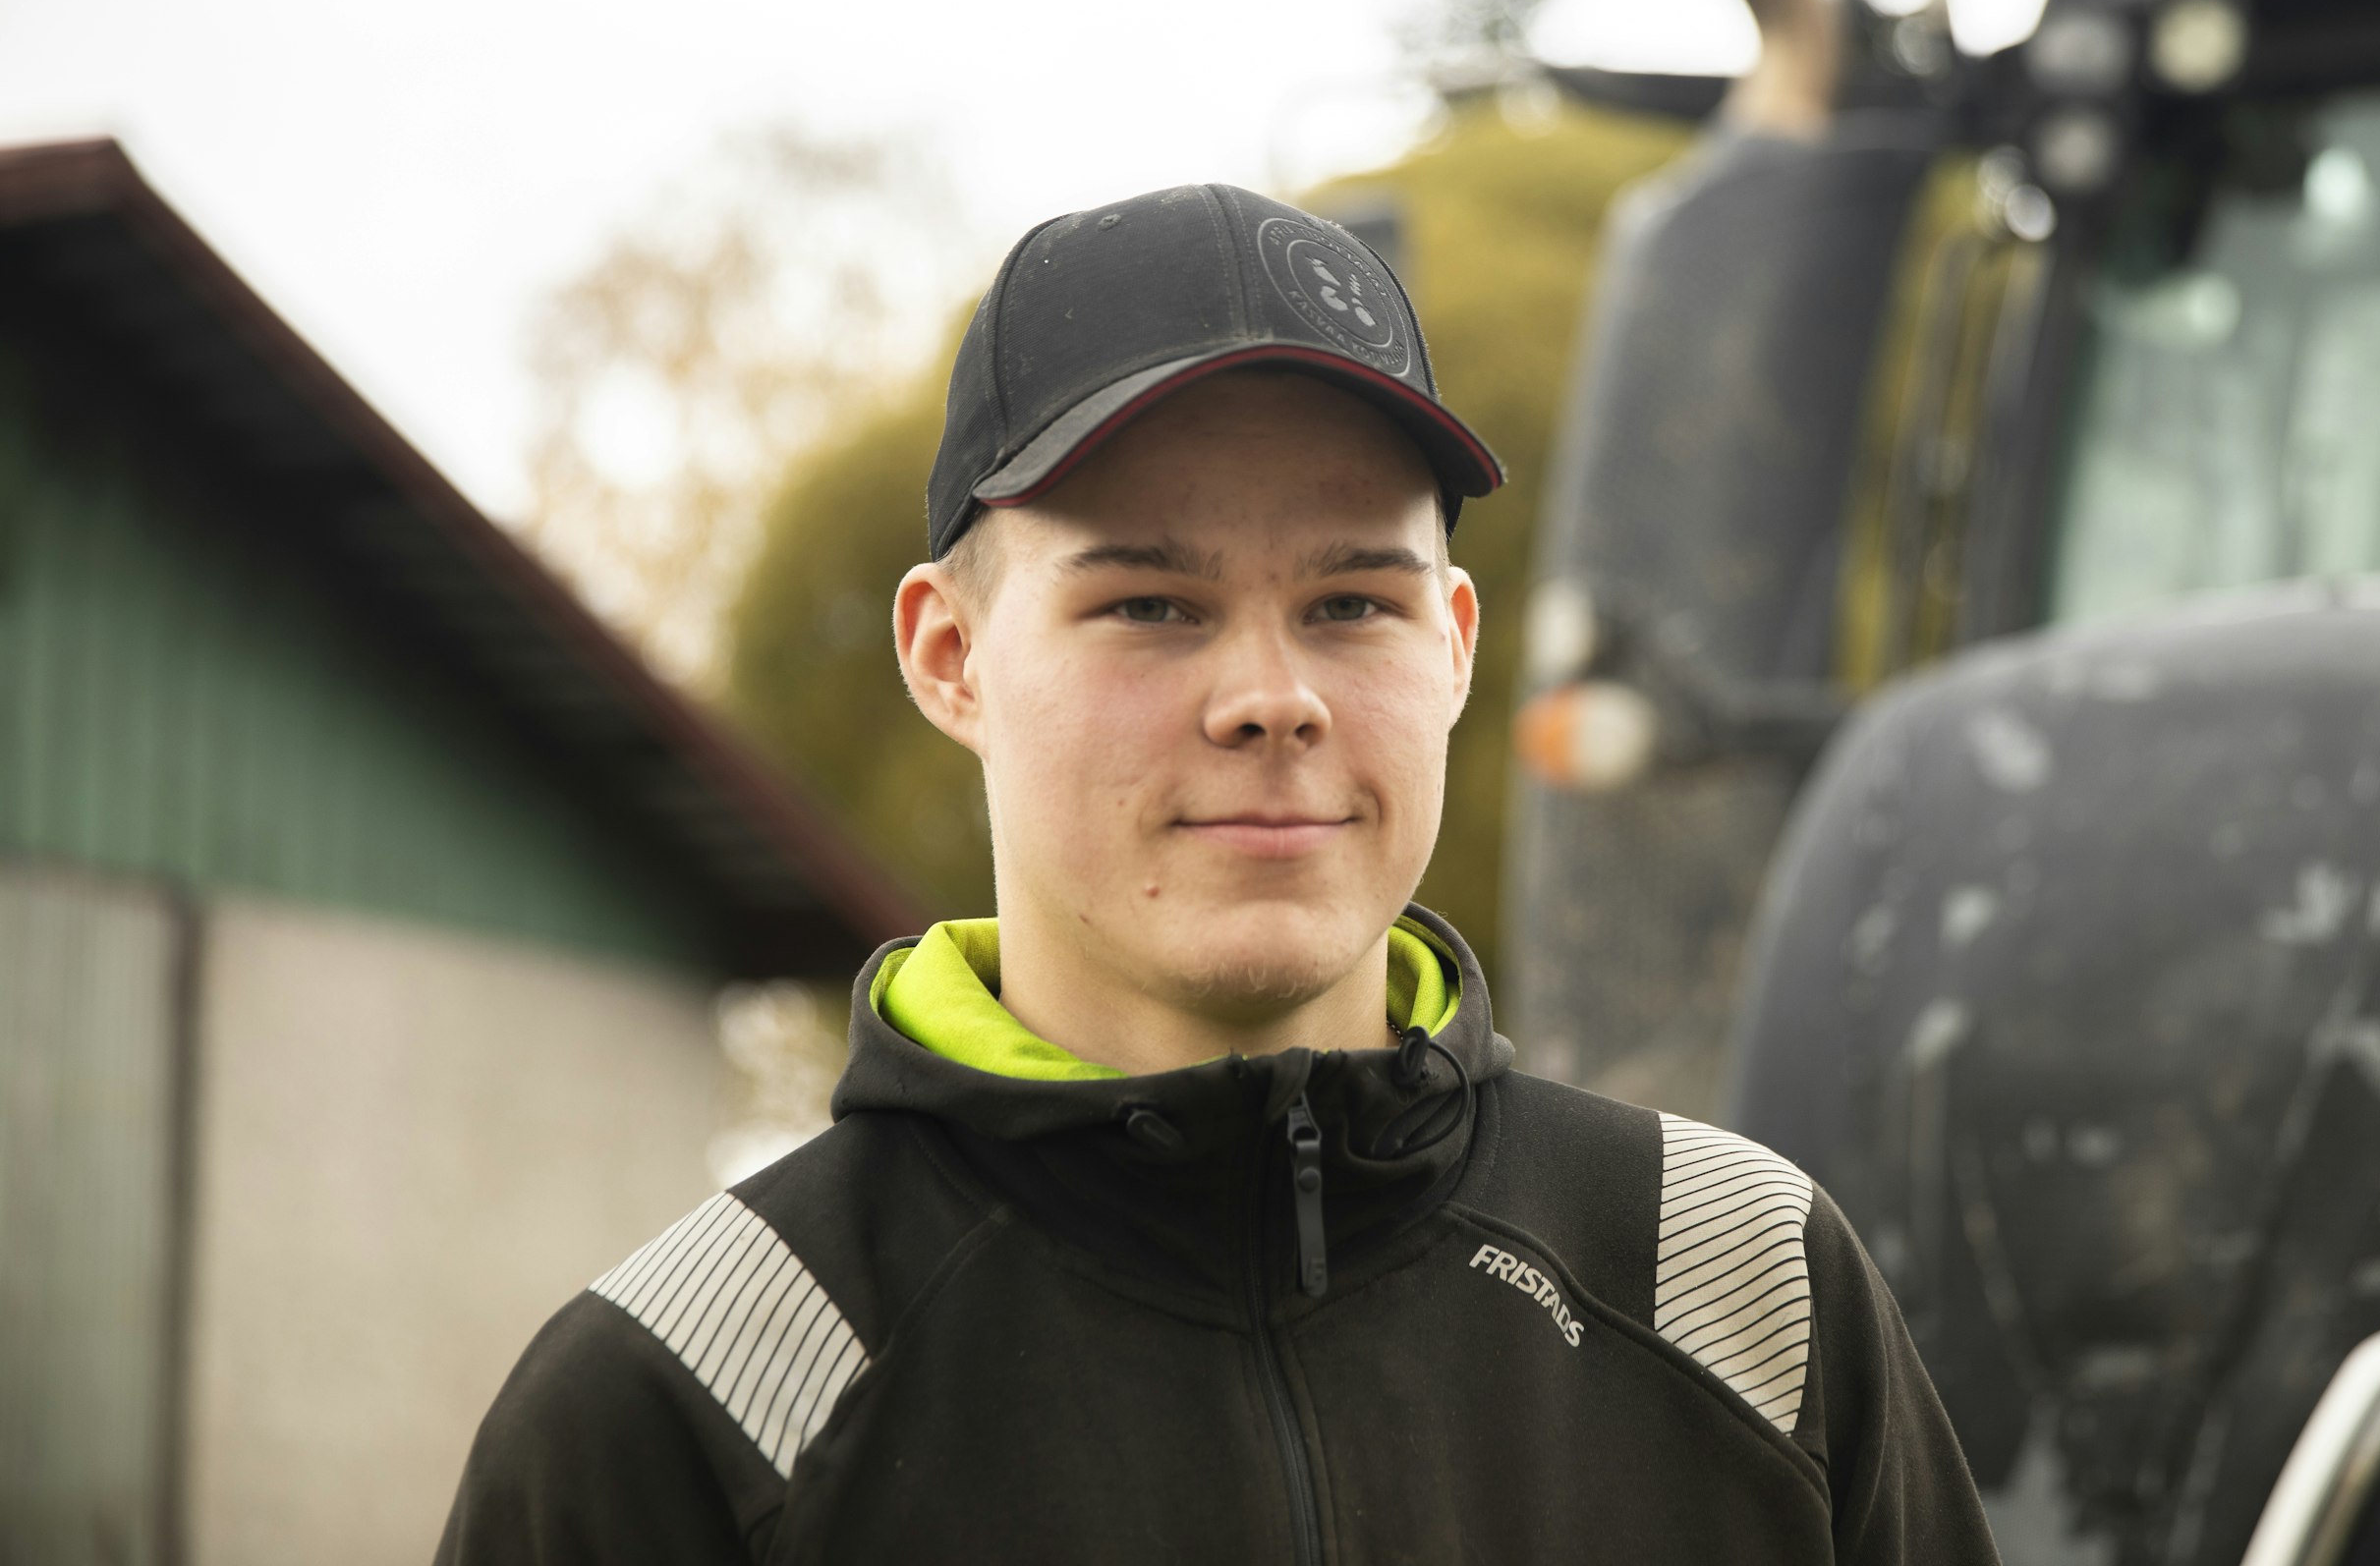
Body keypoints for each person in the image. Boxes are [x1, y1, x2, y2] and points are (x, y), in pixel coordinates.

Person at [435, 183, 1997, 1563]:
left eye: (1352, 604)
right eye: (1152, 607)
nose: (1274, 694)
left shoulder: (1747, 1292)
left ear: (1453, 650)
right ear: (950, 655)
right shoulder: (694, 1400)